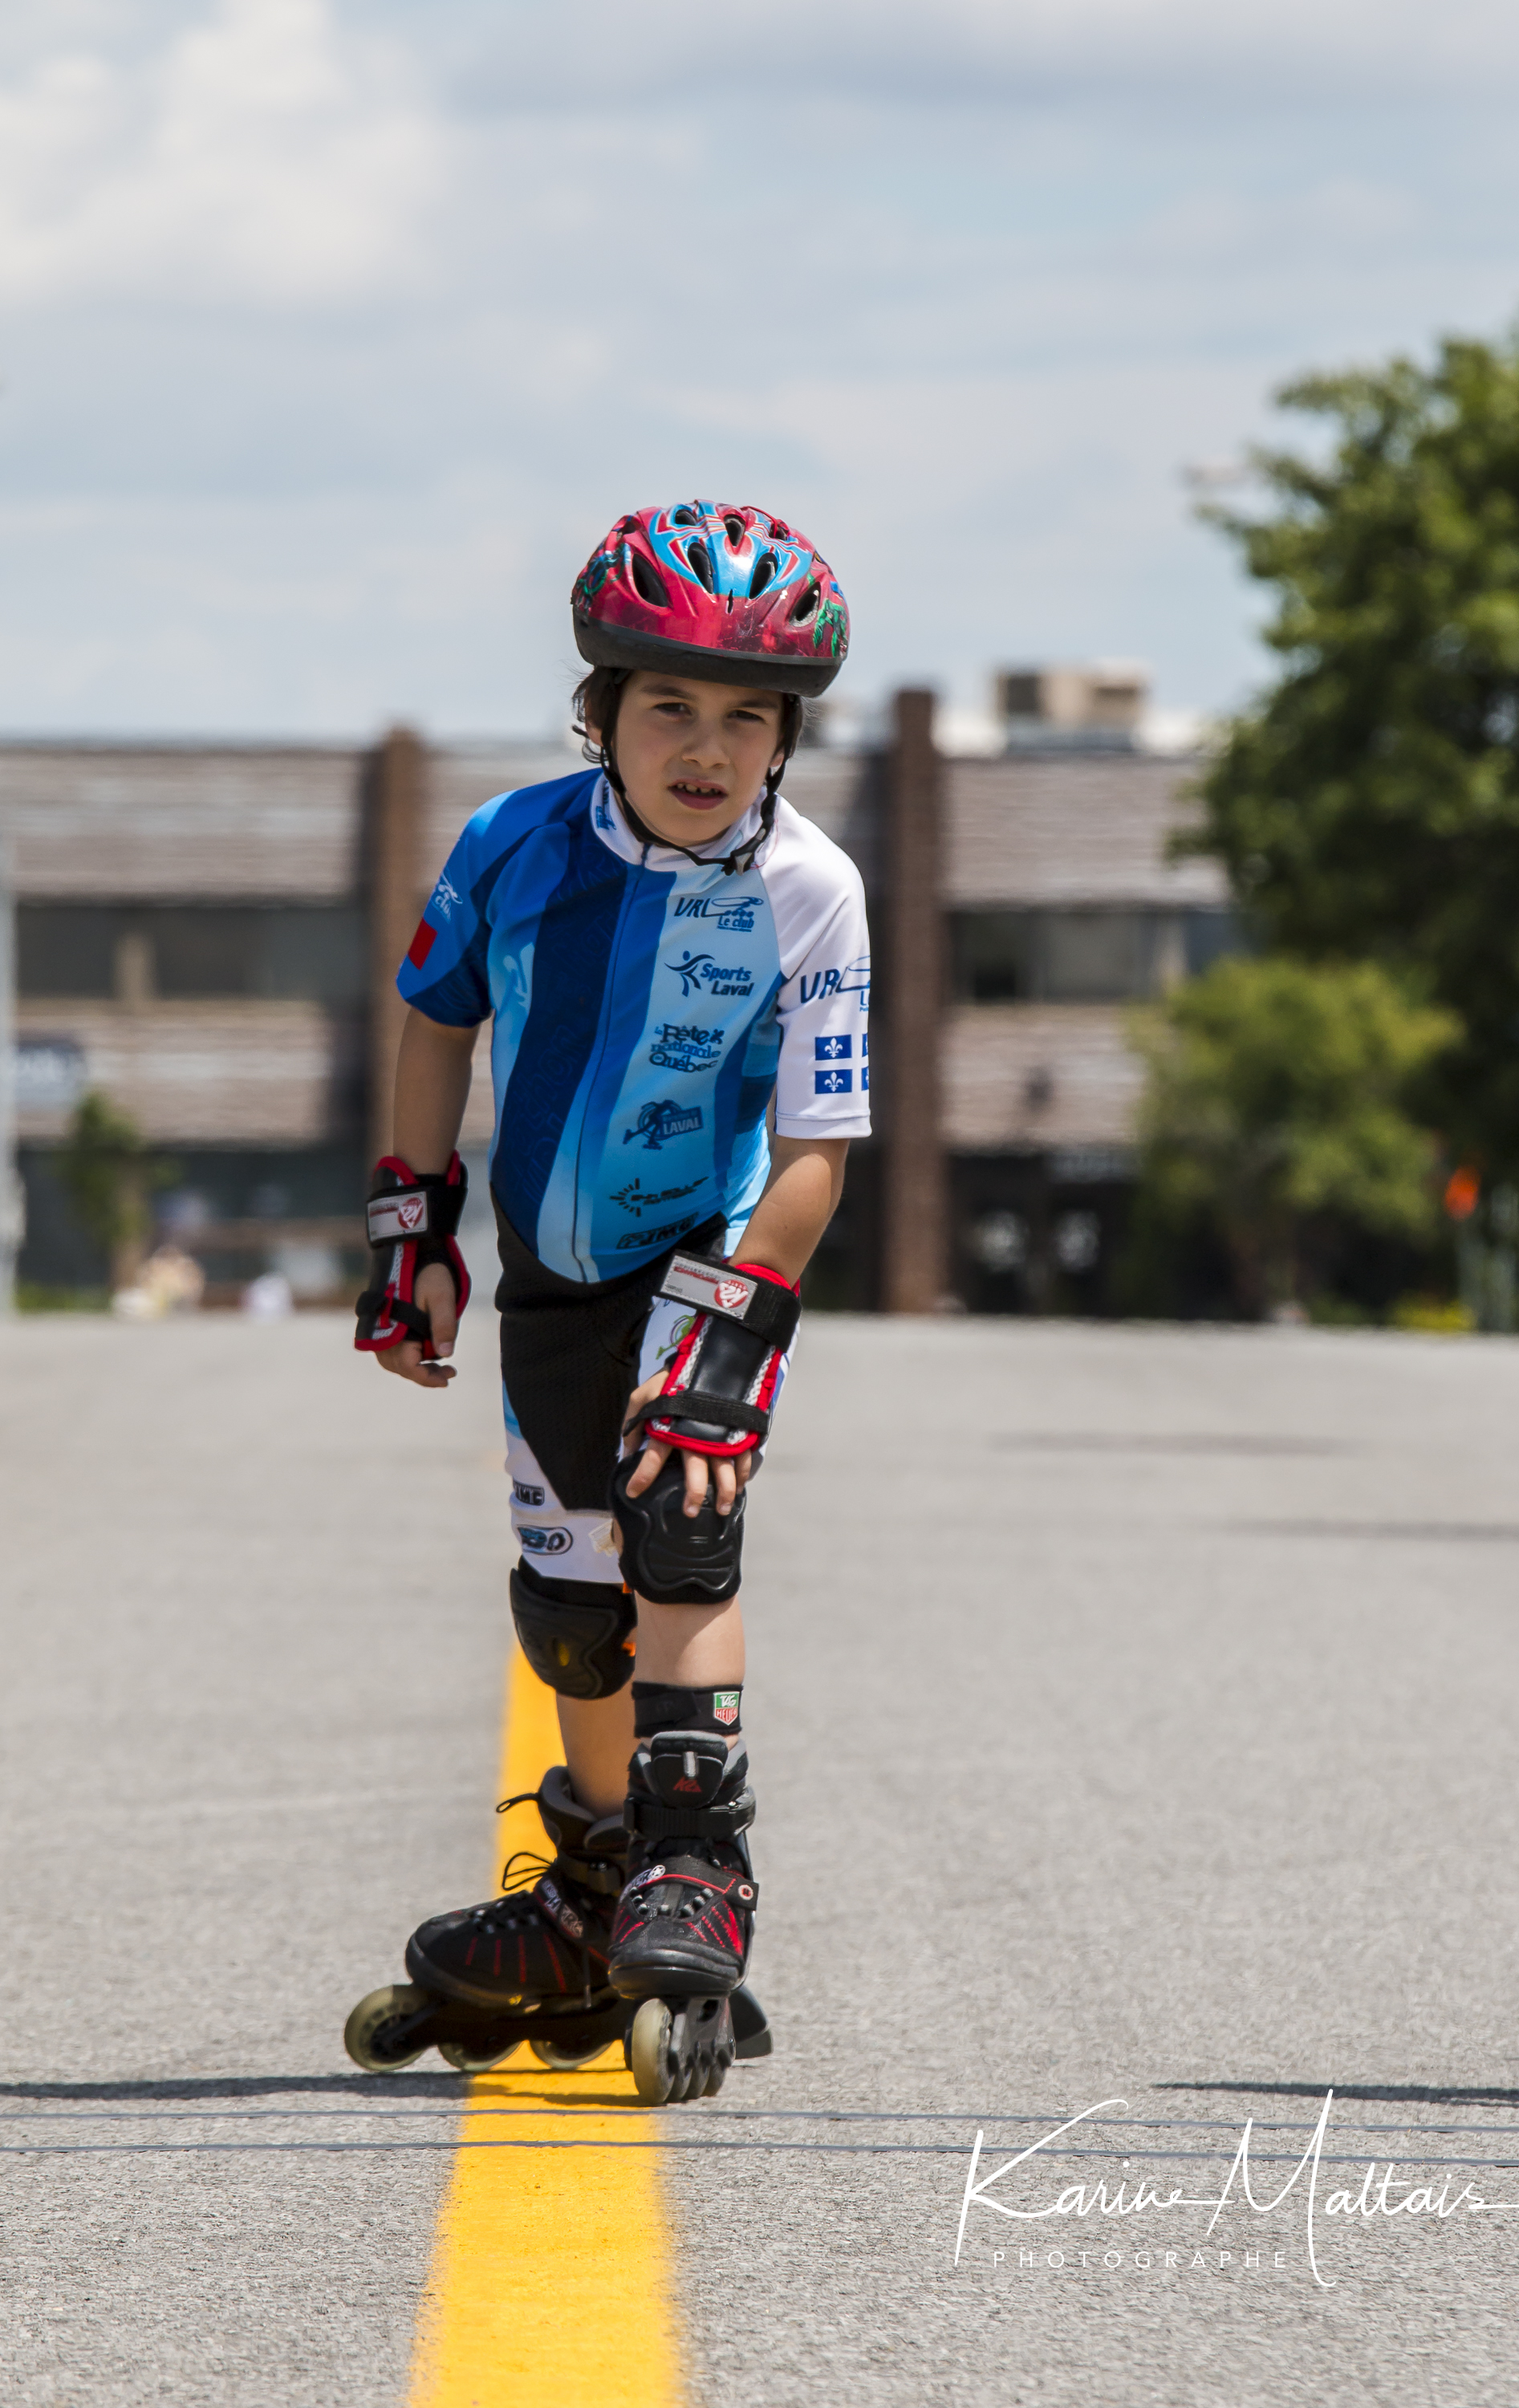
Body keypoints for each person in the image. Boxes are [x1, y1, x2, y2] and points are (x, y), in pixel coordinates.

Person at [349, 502, 869, 2100]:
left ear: (785, 735)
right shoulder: (511, 843)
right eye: (668, 707)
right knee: (569, 1608)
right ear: (600, 714)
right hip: (546, 1268)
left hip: (706, 1254)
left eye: (745, 717)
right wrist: (409, 1227)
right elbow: (437, 1024)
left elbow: (815, 1152)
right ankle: (590, 1892)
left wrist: (726, 1334)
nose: (705, 746)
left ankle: (696, 1857)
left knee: (678, 1526)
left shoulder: (810, 888)